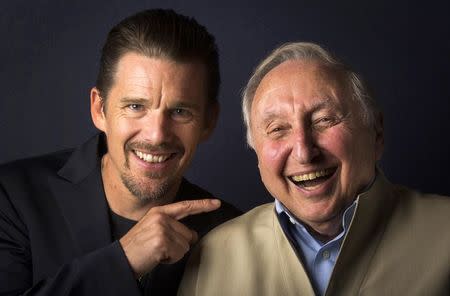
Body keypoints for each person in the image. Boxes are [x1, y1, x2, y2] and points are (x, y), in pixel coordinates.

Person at [0, 9, 241, 295]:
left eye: (179, 111)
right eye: (135, 106)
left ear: (209, 122)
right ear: (99, 110)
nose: (156, 135)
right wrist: (122, 262)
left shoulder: (233, 233)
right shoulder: (12, 198)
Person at [178, 42, 450, 296]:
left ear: (376, 133)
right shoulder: (211, 257)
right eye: (278, 129)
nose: (304, 151)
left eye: (324, 120)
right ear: (257, 153)